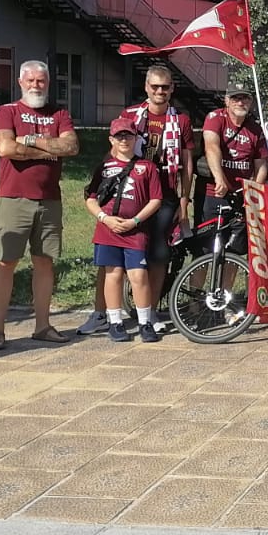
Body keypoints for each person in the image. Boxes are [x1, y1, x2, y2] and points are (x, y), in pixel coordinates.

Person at [77, 66, 194, 337]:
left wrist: (183, 202)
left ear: (172, 88)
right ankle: (101, 312)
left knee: (158, 255)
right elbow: (113, 151)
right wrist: (105, 189)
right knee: (111, 258)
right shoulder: (130, 115)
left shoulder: (181, 121)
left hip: (163, 194)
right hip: (128, 191)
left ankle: (148, 312)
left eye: (165, 87)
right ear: (146, 87)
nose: (160, 91)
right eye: (155, 86)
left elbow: (187, 164)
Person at [0, 60, 78, 351]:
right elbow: (5, 147)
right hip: (14, 197)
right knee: (6, 262)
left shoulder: (59, 113)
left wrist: (27, 141)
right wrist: (47, 147)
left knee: (44, 262)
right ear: (20, 82)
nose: (36, 86)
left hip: (50, 199)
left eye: (41, 81)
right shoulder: (7, 111)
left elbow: (71, 147)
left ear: (48, 83)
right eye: (30, 81)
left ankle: (42, 326)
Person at [84, 118, 166, 343]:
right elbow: (90, 199)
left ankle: (145, 321)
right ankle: (115, 322)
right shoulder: (104, 167)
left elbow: (156, 199)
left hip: (135, 230)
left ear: (136, 138)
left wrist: (136, 221)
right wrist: (105, 218)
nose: (124, 140)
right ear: (111, 139)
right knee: (113, 274)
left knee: (138, 275)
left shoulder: (147, 167)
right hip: (108, 229)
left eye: (128, 135)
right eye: (119, 136)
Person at [200, 90, 265, 240]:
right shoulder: (216, 118)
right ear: (227, 100)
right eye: (236, 98)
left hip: (241, 196)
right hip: (215, 192)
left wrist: (253, 191)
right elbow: (211, 147)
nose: (240, 103)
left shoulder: (255, 128)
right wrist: (219, 179)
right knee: (208, 243)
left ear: (251, 102)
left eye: (245, 98)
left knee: (237, 245)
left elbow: (261, 164)